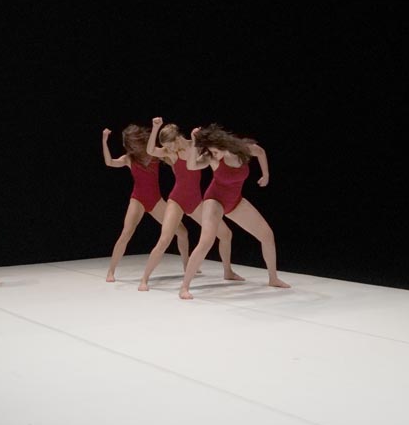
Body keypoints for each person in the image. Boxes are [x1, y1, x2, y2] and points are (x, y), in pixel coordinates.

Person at [177, 123, 289, 300]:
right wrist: (194, 143)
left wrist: (266, 174)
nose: (213, 154)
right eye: (210, 151)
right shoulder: (211, 158)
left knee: (267, 235)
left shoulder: (242, 149)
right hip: (214, 200)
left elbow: (260, 152)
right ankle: (184, 287)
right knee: (206, 241)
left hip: (235, 201)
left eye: (215, 151)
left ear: (223, 144)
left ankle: (273, 278)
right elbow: (191, 166)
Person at [136, 117, 244, 292]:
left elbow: (214, 151)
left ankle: (228, 271)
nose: (169, 149)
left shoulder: (196, 145)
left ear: (177, 138)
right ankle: (144, 279)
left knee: (225, 234)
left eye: (170, 145)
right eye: (167, 147)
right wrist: (155, 127)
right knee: (164, 239)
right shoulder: (171, 153)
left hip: (195, 201)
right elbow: (150, 150)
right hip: (177, 200)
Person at [101, 125, 191, 282]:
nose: (133, 147)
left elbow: (175, 163)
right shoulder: (129, 158)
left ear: (140, 140)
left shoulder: (154, 154)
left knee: (182, 232)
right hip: (138, 200)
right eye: (130, 144)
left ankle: (187, 266)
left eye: (134, 143)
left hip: (156, 200)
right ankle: (111, 271)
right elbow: (109, 162)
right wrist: (104, 140)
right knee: (126, 233)